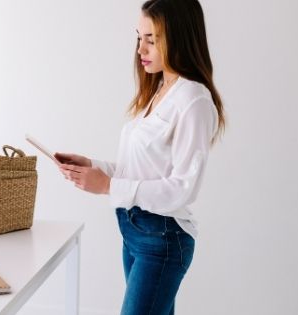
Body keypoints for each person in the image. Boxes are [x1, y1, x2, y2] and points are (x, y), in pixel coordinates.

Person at [55, 0, 225, 314]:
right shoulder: (160, 90)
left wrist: (108, 186)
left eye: (151, 39)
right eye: (139, 37)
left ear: (179, 37)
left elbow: (183, 187)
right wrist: (93, 166)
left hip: (161, 238)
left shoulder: (193, 100)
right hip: (134, 231)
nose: (140, 49)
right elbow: (140, 170)